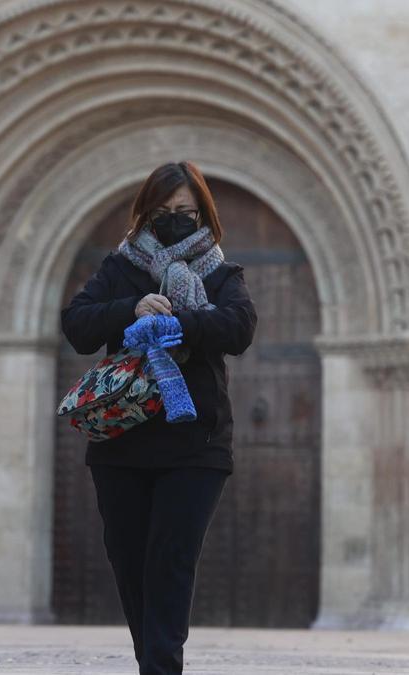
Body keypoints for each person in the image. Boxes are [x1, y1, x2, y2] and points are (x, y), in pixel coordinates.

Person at [61, 161, 257, 674]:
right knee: (129, 564)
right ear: (146, 213)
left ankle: (161, 667)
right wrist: (131, 309)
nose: (174, 219)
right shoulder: (119, 269)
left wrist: (177, 322)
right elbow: (77, 325)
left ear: (203, 214)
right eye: (164, 211)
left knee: (170, 562)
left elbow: (238, 327)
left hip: (195, 444)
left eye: (185, 211)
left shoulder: (219, 273)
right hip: (121, 444)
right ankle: (153, 662)